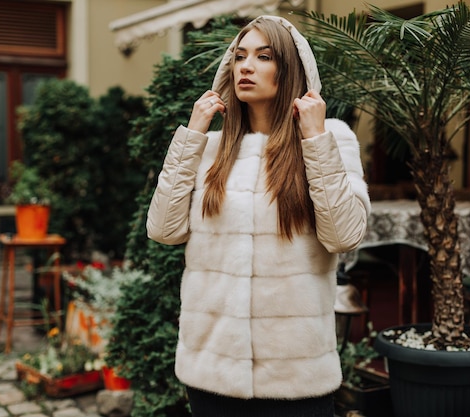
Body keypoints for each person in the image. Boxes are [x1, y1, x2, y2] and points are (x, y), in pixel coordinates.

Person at [147, 15, 371, 417]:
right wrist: (192, 134)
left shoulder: (330, 137)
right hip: (212, 371)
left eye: (263, 56)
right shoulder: (210, 148)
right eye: (239, 56)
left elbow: (344, 237)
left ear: (289, 70)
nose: (245, 67)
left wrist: (316, 139)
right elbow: (163, 229)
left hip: (296, 375)